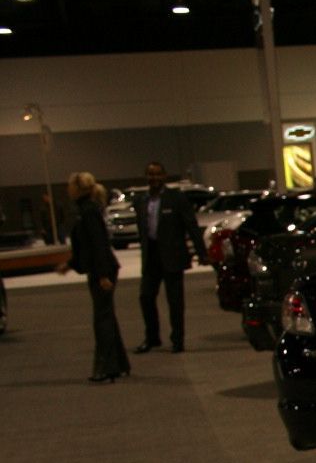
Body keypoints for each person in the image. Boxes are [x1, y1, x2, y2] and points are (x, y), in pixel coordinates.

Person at [57, 171, 130, 383]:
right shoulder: (84, 211)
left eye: (70, 185)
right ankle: (120, 363)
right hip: (100, 269)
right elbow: (85, 247)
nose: (68, 189)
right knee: (106, 316)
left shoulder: (88, 212)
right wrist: (70, 265)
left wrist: (103, 274)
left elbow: (99, 245)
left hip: (102, 271)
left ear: (79, 189)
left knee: (102, 319)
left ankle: (106, 367)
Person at [132, 161, 205, 353]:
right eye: (150, 174)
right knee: (145, 297)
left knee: (175, 302)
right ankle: (152, 337)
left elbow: (192, 226)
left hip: (173, 256)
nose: (153, 178)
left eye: (157, 174)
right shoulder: (141, 201)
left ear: (164, 176)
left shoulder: (176, 198)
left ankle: (177, 339)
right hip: (151, 257)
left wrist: (201, 253)